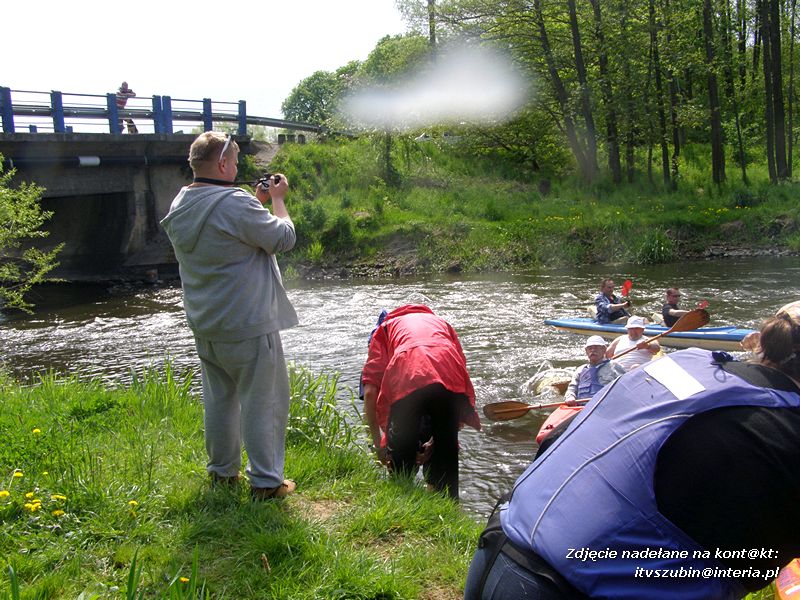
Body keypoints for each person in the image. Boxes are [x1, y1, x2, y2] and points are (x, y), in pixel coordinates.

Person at [464, 301, 800, 600]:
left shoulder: (684, 362)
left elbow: (556, 442)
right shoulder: (787, 431)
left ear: (763, 344)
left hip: (496, 549)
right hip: (572, 585)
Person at [160, 131, 298, 500]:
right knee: (264, 402)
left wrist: (256, 204)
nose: (237, 167)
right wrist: (278, 202)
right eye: (235, 161)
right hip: (248, 323)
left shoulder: (182, 202)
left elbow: (223, 231)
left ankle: (222, 473)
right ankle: (268, 483)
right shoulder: (235, 203)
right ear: (222, 164)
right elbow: (281, 238)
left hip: (208, 324)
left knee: (220, 401)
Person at [361, 304, 481, 500]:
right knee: (446, 454)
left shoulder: (385, 328)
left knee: (401, 459)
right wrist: (438, 439)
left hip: (407, 369)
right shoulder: (442, 323)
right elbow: (458, 379)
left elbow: (370, 392)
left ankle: (401, 505)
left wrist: (378, 446)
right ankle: (448, 513)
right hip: (449, 370)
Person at [563, 335, 626, 406]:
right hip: (581, 408)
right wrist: (570, 397)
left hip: (605, 406)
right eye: (590, 348)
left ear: (604, 350)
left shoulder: (614, 366)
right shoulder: (580, 370)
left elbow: (626, 386)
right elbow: (572, 388)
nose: (592, 350)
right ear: (586, 351)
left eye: (596, 348)